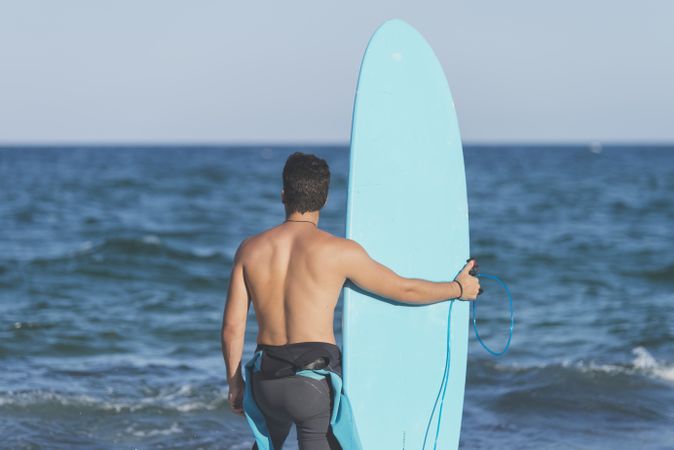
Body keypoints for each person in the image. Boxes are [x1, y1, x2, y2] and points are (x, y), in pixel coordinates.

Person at [221, 151, 480, 450]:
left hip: (265, 381)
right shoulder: (340, 252)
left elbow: (232, 327)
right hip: (311, 383)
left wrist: (234, 383)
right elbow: (404, 290)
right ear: (324, 200)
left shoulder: (249, 249)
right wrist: (458, 289)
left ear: (283, 195)